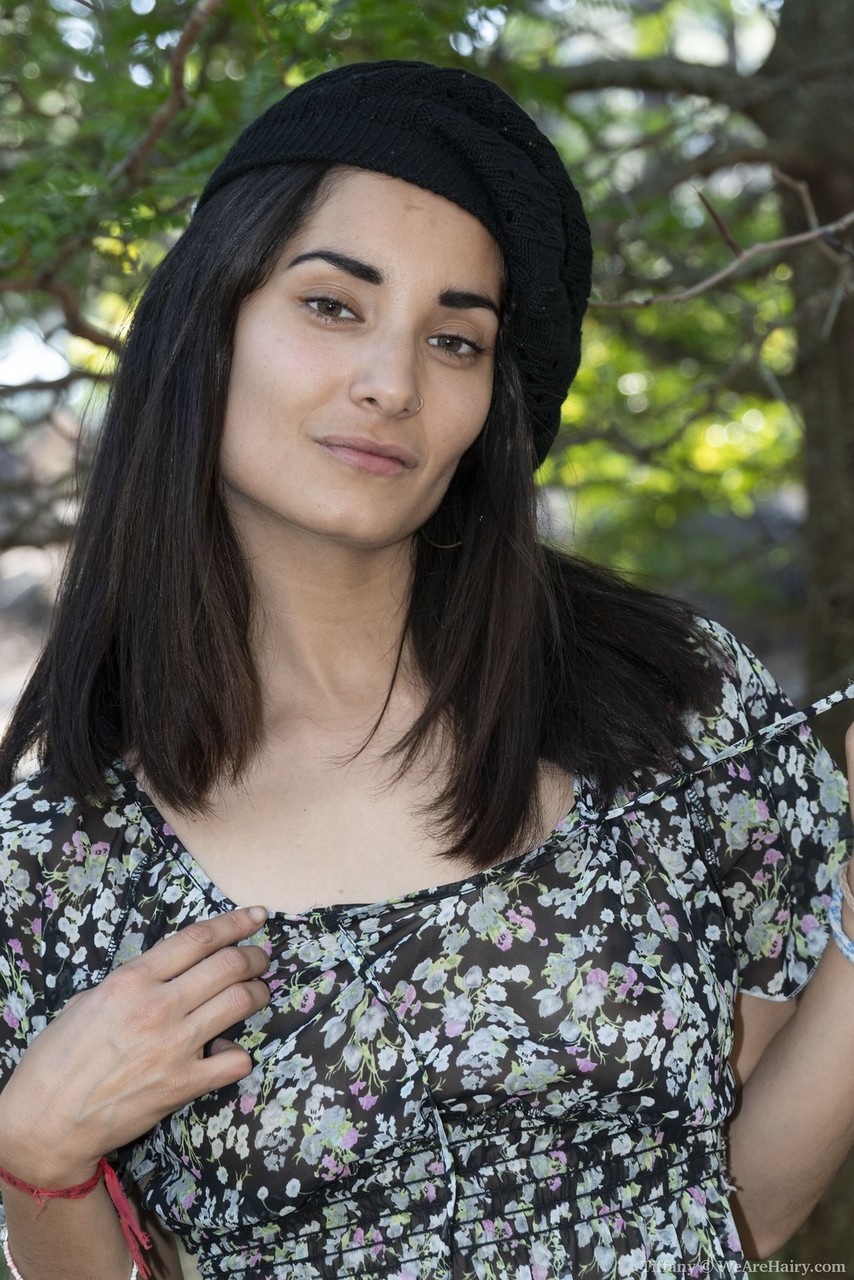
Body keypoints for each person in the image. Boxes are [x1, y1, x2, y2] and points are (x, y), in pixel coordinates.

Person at [0, 58, 852, 1280]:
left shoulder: (671, 703)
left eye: (454, 339)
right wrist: (38, 1151)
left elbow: (740, 1210)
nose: (390, 383)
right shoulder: (53, 865)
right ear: (208, 321)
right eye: (331, 304)